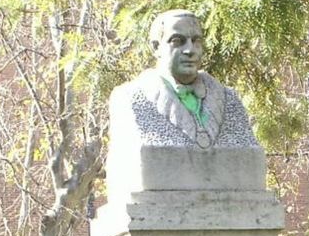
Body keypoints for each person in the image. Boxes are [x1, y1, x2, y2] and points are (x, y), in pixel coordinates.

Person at [108, 9, 258, 149]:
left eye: (196, 41)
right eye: (177, 41)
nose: (190, 50)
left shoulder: (229, 99)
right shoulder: (130, 99)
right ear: (156, 47)